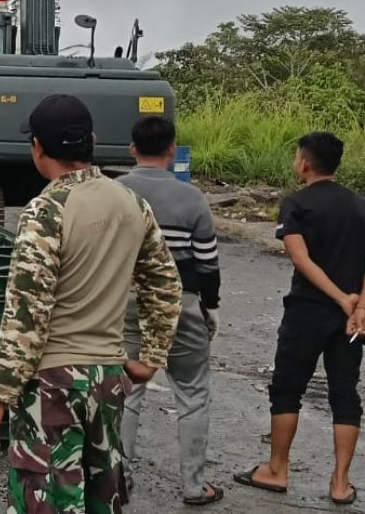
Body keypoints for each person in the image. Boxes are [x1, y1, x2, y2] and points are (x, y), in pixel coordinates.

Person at [0, 94, 182, 514]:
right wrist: (152, 355)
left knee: (48, 502)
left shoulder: (46, 211)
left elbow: (27, 315)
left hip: (52, 384)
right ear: (93, 141)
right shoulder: (131, 204)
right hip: (107, 379)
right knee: (104, 498)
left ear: (37, 148)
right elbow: (165, 283)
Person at [237, 132, 365, 505]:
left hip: (306, 312)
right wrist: (359, 308)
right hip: (350, 322)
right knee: (345, 393)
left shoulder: (296, 204)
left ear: (304, 163)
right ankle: (341, 483)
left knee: (287, 388)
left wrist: (343, 299)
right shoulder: (359, 206)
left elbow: (301, 259)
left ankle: (277, 469)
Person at [118, 116, 223, 505]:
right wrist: (210, 309)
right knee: (193, 394)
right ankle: (195, 486)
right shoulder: (192, 198)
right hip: (182, 303)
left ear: (132, 150)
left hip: (126, 304)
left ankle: (118, 477)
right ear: (171, 150)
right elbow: (207, 263)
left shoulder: (116, 192)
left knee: (125, 392)